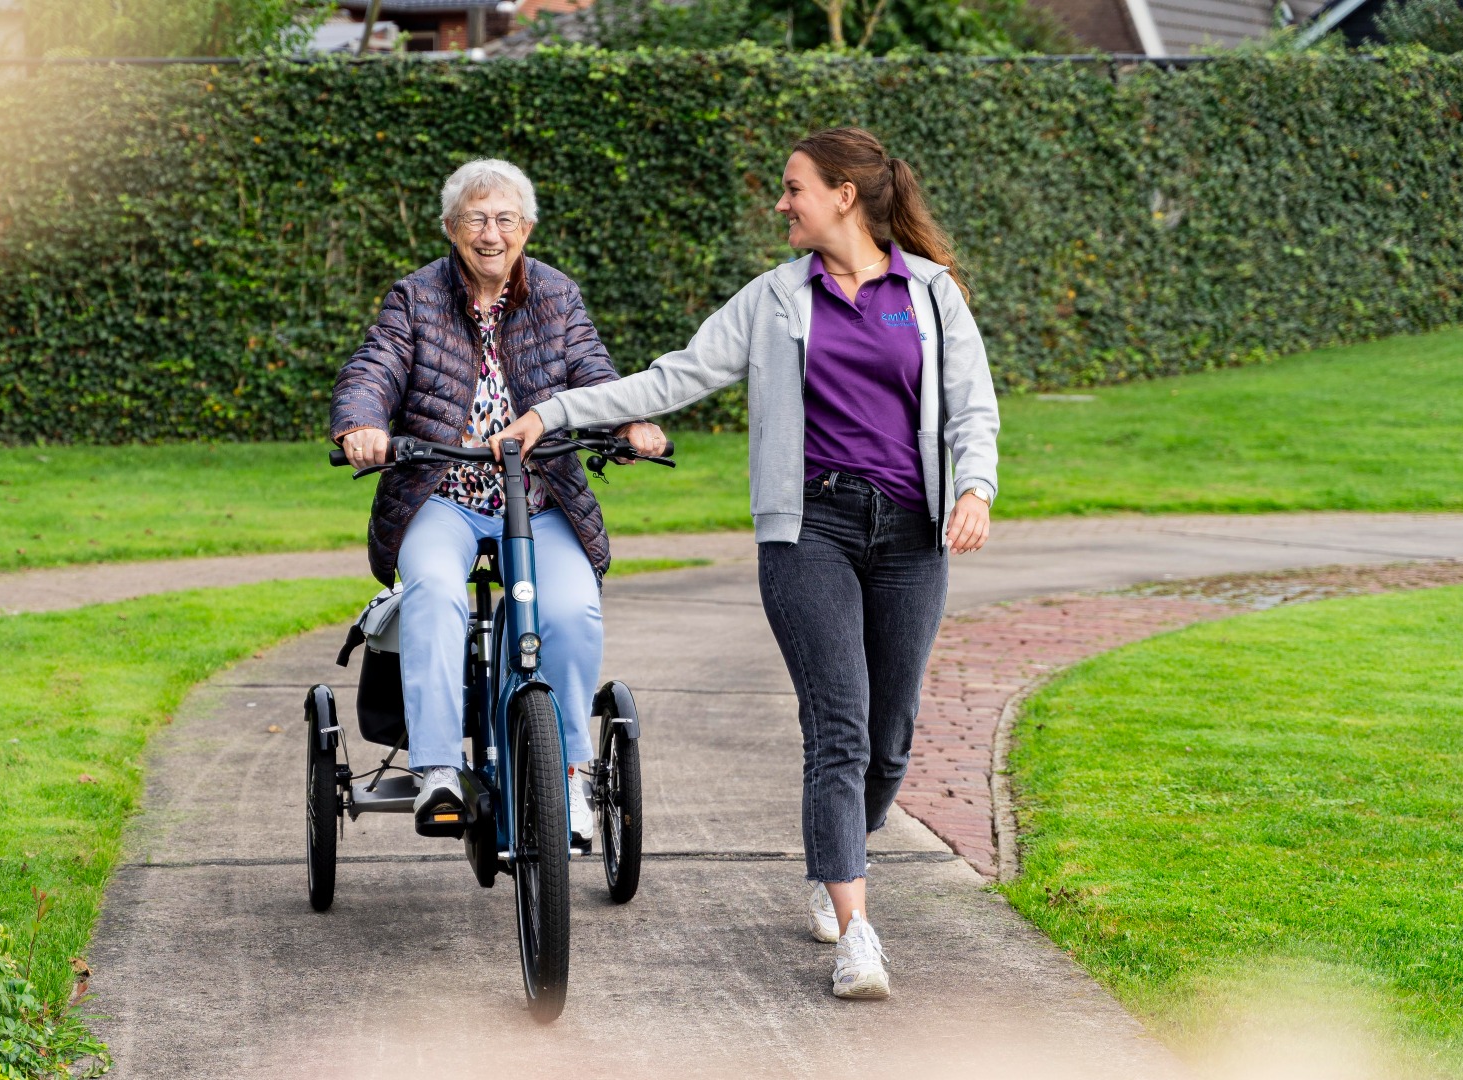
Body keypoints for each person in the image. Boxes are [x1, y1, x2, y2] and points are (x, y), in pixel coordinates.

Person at [491, 128, 999, 1000]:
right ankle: (857, 933)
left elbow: (972, 406)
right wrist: (555, 409)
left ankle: (830, 856)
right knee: (838, 726)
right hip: (810, 533)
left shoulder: (932, 294)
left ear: (844, 195)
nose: (781, 202)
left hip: (912, 534)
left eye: (794, 187)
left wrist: (976, 487)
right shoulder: (772, 300)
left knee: (889, 738)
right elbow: (671, 377)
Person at [330, 158, 666, 846]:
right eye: (477, 218)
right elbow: (378, 364)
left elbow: (594, 375)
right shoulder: (415, 297)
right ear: (453, 228)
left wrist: (631, 424)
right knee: (432, 591)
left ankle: (567, 776)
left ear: (527, 227)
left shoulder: (556, 295)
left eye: (505, 218)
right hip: (441, 492)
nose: (492, 232)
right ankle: (437, 772)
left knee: (571, 609)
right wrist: (362, 422)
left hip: (540, 496)